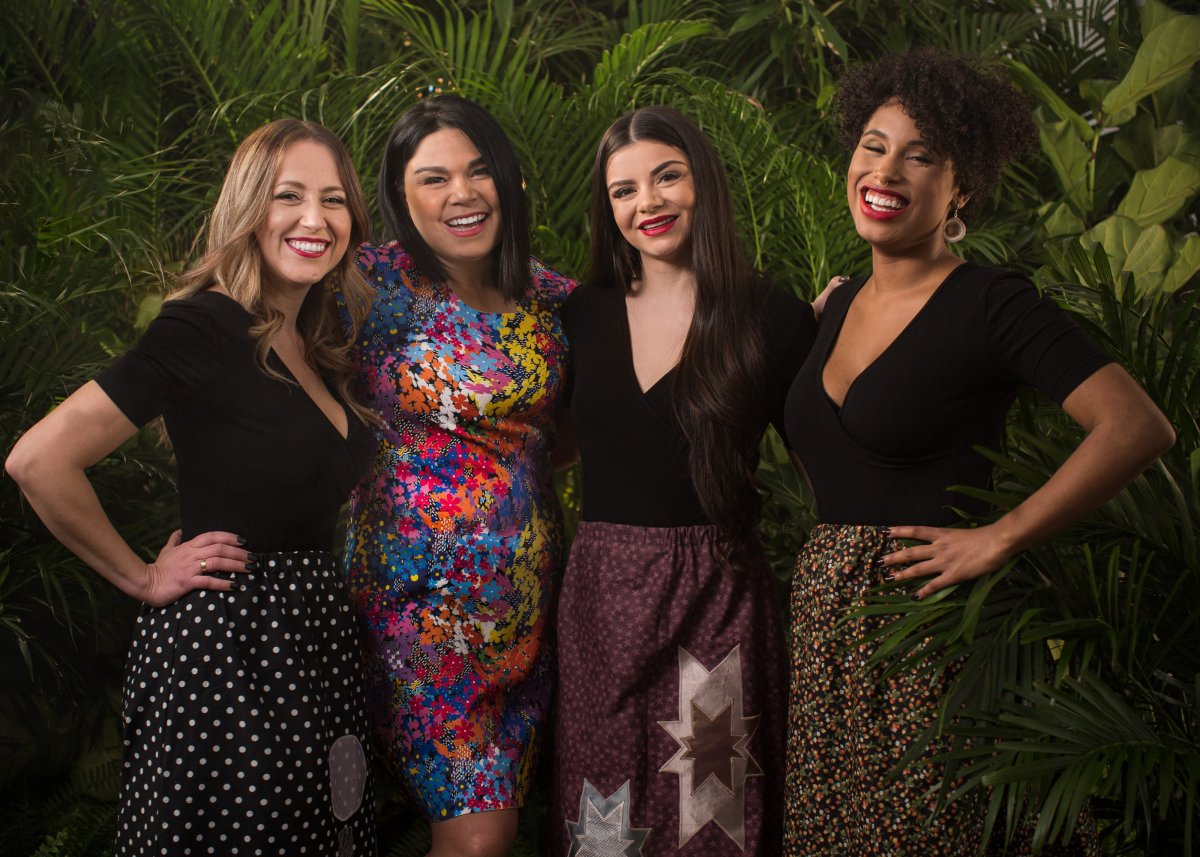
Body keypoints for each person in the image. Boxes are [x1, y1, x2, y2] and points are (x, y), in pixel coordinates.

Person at [781, 49, 1176, 855]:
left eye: (920, 155)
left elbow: (1136, 426)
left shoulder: (992, 304)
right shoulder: (834, 303)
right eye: (873, 144)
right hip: (829, 638)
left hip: (931, 633)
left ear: (960, 189)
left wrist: (1002, 534)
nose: (886, 169)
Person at [5, 119, 380, 855]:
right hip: (225, 648)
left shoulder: (322, 342)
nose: (315, 219)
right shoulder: (204, 326)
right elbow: (38, 459)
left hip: (315, 642)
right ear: (249, 210)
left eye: (334, 200)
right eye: (289, 196)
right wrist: (142, 575)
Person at [550, 105, 818, 857]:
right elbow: (552, 449)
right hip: (602, 601)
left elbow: (825, 465)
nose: (649, 202)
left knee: (717, 821)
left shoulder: (772, 315)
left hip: (720, 598)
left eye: (668, 176)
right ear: (609, 210)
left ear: (703, 182)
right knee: (602, 825)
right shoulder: (579, 316)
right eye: (624, 190)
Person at [338, 94, 575, 857]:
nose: (463, 193)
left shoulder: (553, 300)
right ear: (401, 198)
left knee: (491, 833)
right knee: (479, 837)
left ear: (507, 180)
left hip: (526, 621)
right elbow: (249, 357)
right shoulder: (365, 288)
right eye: (434, 178)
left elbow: (620, 396)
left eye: (479, 172)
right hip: (417, 620)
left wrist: (804, 319)